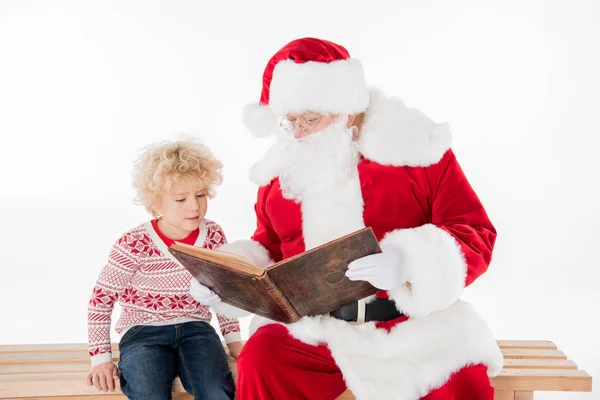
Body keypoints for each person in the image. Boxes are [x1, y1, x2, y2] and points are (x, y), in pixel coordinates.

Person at [195, 37, 505, 400]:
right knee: (262, 357)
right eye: (289, 120)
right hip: (314, 328)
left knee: (456, 377)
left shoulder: (417, 150)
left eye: (310, 119)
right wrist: (228, 278)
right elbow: (270, 247)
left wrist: (409, 263)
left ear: (347, 111)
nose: (297, 132)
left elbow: (474, 231)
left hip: (412, 324)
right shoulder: (281, 173)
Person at [86, 138, 242, 400]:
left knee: (216, 390)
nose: (194, 206)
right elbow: (100, 301)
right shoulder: (134, 243)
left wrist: (233, 339)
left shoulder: (213, 234)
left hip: (196, 329)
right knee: (148, 392)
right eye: (180, 199)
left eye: (201, 195)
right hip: (143, 332)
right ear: (155, 202)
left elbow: (222, 291)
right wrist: (100, 358)